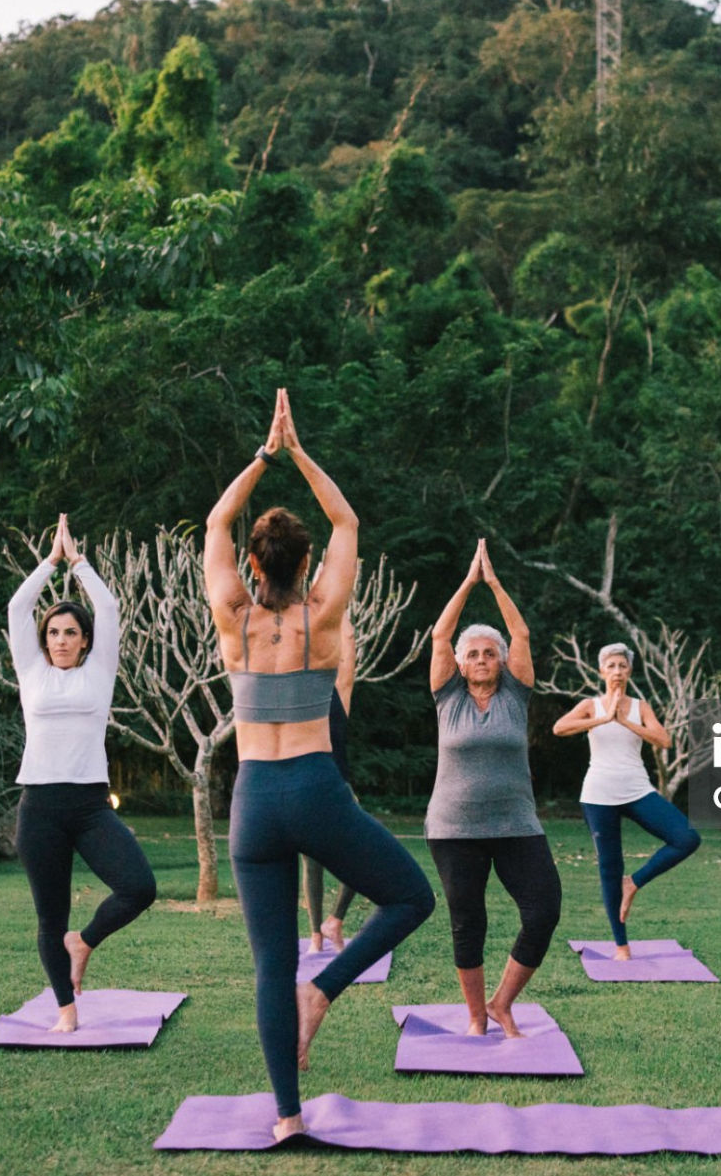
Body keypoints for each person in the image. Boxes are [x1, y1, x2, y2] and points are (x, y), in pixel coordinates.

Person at [207, 389, 434, 1142]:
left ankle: (286, 1116)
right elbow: (347, 522)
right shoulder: (323, 615)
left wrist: (261, 456)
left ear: (251, 563)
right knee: (410, 897)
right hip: (313, 787)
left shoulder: (232, 617)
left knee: (271, 964)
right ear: (307, 562)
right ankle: (326, 989)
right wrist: (298, 453)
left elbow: (215, 522)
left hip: (252, 801)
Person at [7, 513, 157, 1033]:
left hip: (91, 808)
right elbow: (18, 607)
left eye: (71, 632)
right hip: (40, 809)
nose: (61, 640)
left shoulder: (99, 672)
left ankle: (85, 941)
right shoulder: (31, 672)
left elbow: (109, 607)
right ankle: (66, 1010)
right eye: (53, 632)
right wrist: (49, 563)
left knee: (139, 888)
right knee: (50, 918)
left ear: (86, 641)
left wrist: (77, 562)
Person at [426, 539, 560, 1038]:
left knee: (543, 911)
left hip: (516, 825)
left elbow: (520, 632)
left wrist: (495, 583)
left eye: (490, 653)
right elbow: (441, 635)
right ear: (461, 664)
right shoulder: (448, 697)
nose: (482, 659)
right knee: (468, 923)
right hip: (453, 828)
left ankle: (503, 1003)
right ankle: (476, 1017)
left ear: (502, 662)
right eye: (473, 654)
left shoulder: (515, 695)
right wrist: (468, 582)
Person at [553, 643, 699, 958]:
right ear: (601, 671)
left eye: (622, 666)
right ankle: (621, 946)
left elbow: (664, 740)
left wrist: (623, 720)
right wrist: (603, 718)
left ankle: (633, 882)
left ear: (630, 671)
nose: (617, 671)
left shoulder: (640, 707)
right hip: (598, 794)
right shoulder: (591, 705)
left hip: (637, 789)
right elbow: (559, 728)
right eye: (611, 666)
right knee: (610, 867)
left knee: (686, 838)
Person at [303, 607, 363, 952]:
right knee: (312, 864)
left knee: (361, 857)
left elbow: (349, 641)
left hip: (339, 788)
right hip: (307, 787)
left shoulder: (339, 692)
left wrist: (338, 604)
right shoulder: (295, 699)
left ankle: (334, 921)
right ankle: (316, 935)